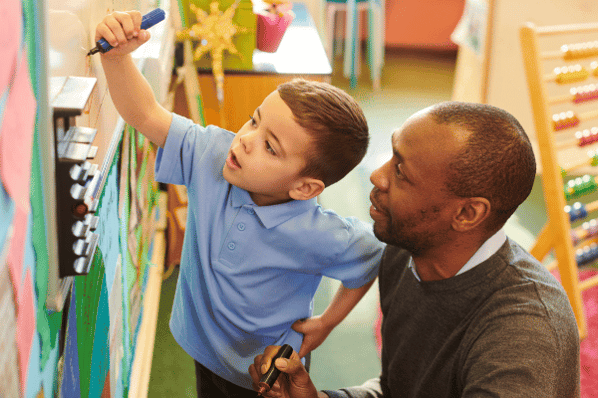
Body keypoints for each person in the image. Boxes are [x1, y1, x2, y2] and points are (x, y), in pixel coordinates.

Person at [95, 10, 385, 397]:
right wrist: (116, 58)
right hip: (206, 351)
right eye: (254, 120)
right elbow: (146, 114)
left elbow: (372, 257)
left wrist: (327, 322)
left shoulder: (321, 233)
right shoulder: (214, 154)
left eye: (270, 146)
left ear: (304, 188)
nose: (245, 139)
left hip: (269, 374)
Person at [249, 101, 581, 397]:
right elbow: (395, 388)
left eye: (401, 172)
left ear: (467, 214)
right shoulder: (403, 253)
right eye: (391, 155)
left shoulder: (525, 338)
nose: (377, 176)